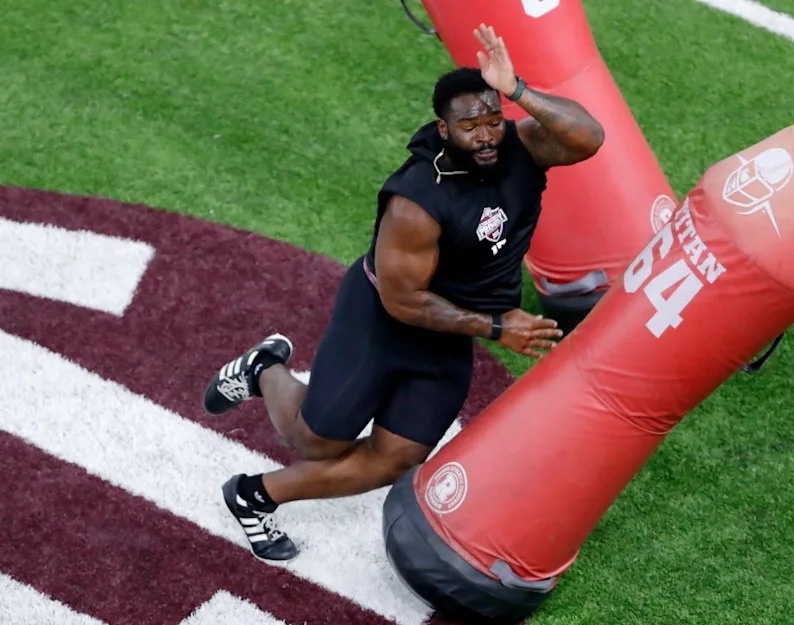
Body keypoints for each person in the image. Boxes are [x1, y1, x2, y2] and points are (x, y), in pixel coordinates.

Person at [202, 23, 605, 561]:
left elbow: (589, 137)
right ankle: (265, 369)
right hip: (384, 320)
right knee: (317, 441)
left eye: (492, 121)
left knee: (395, 458)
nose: (485, 135)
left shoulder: (521, 143)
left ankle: (253, 496)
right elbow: (404, 301)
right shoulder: (416, 201)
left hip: (450, 329)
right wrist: (493, 326)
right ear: (444, 130)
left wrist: (518, 90)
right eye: (470, 127)